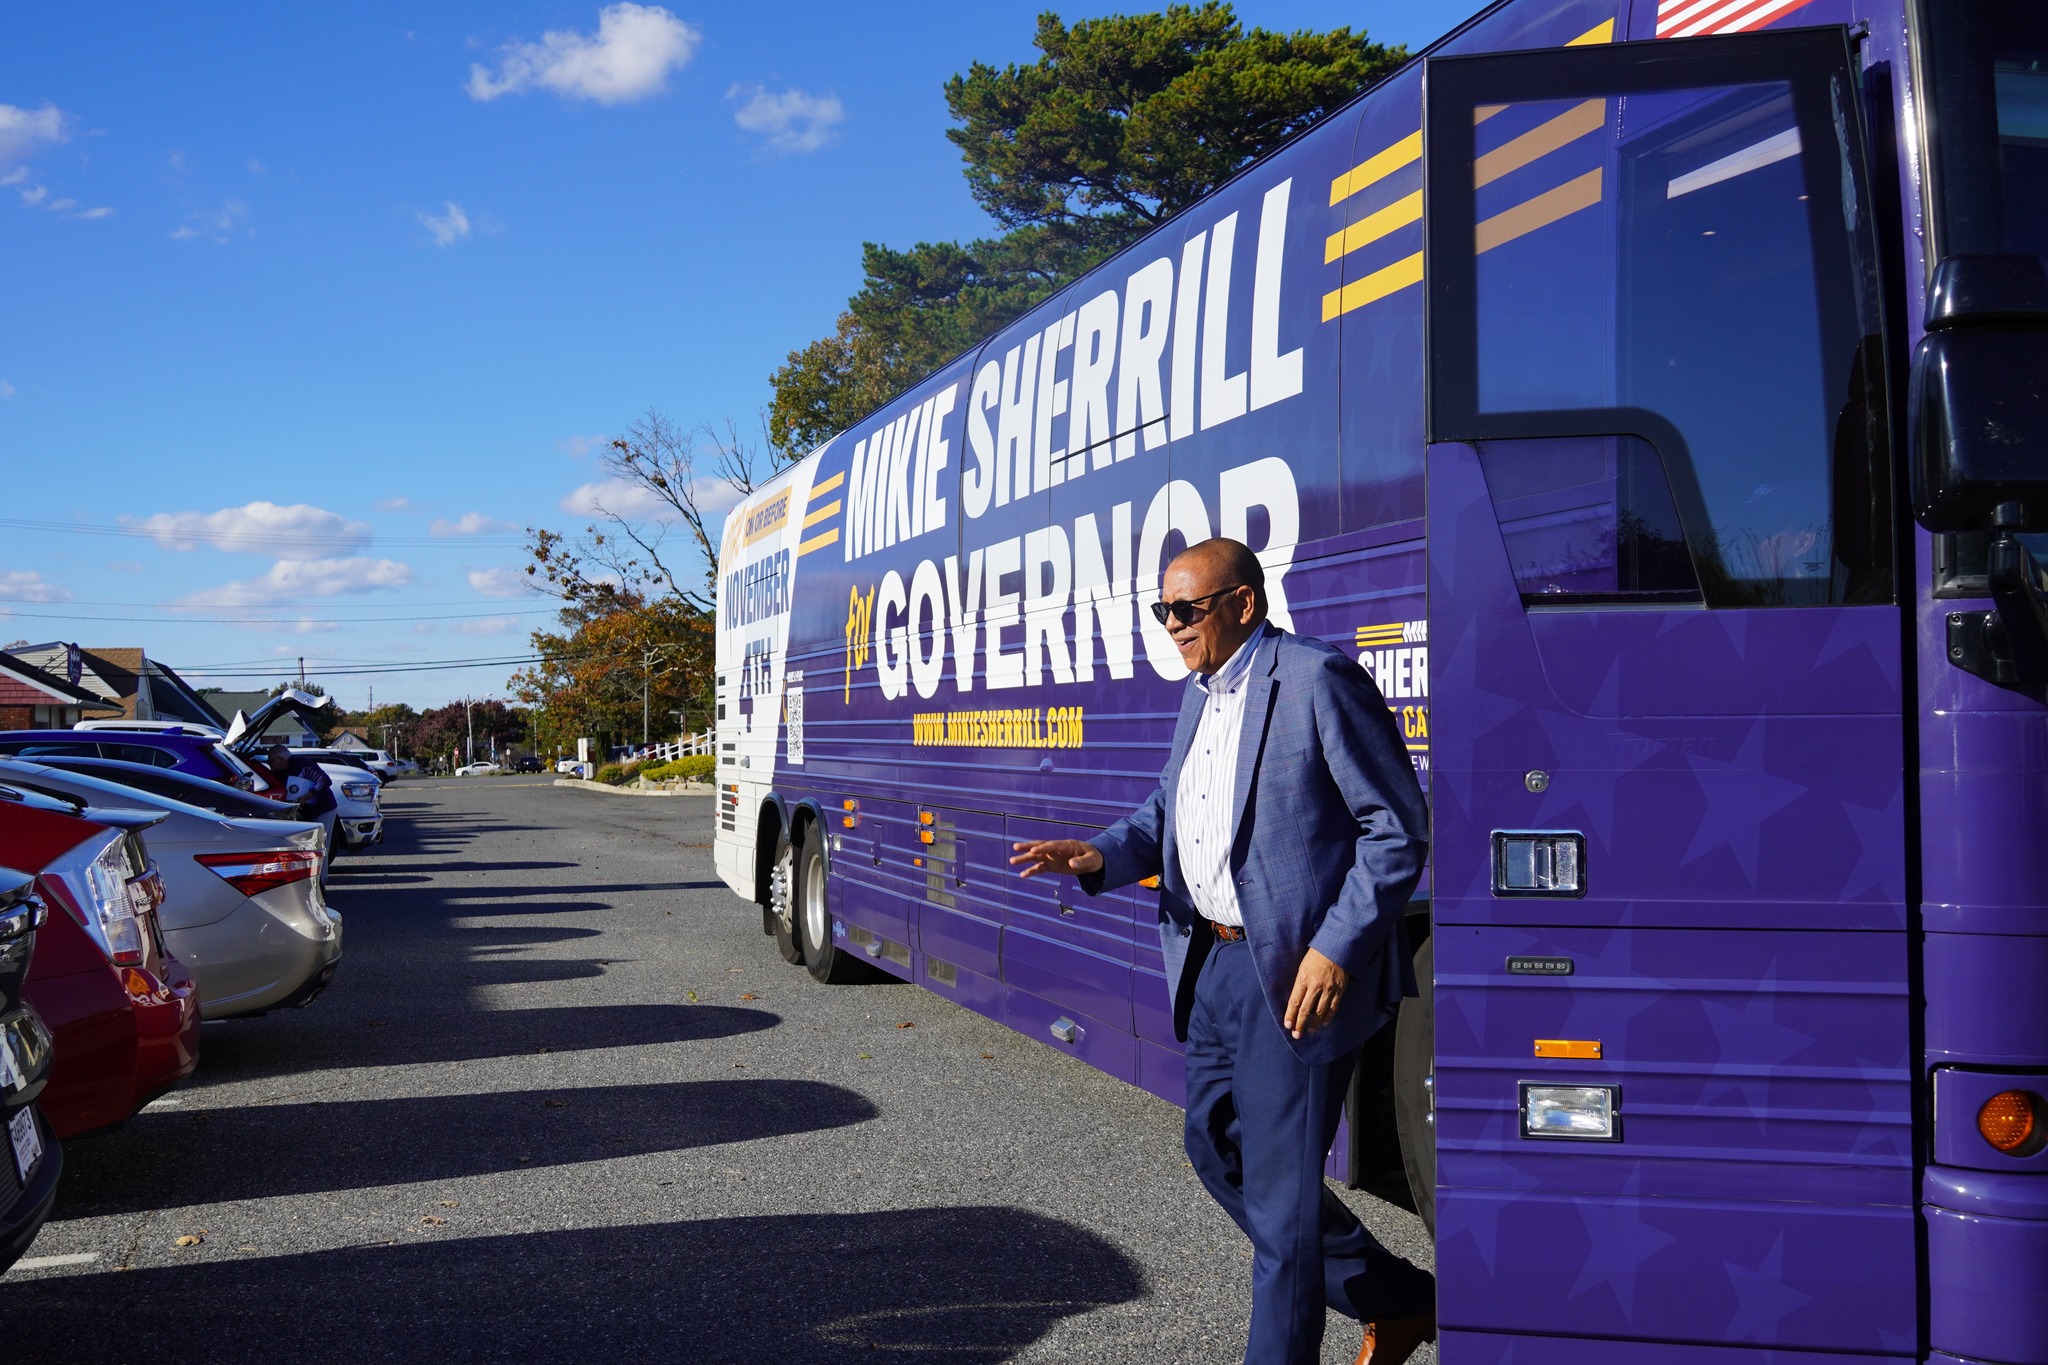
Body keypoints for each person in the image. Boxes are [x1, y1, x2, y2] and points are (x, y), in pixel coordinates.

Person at [1010, 537, 1434, 1365]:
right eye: (1162, 609)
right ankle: (1401, 1299)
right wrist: (1099, 854)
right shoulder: (1201, 696)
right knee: (1215, 1146)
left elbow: (1397, 828)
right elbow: (1170, 812)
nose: (1171, 624)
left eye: (1187, 608)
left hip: (1297, 973)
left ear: (1243, 603)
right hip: (1213, 963)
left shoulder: (1315, 679)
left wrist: (1335, 947)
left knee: (1281, 1207)